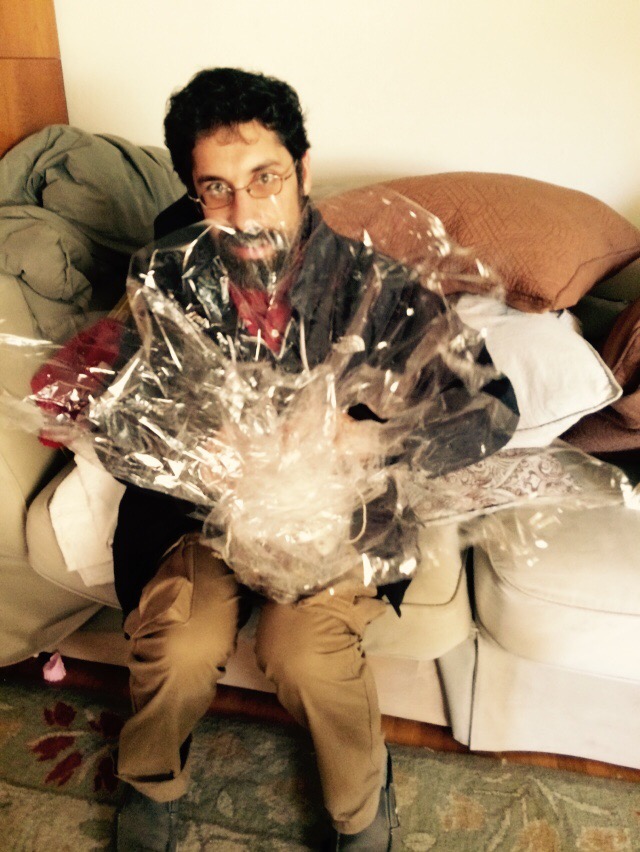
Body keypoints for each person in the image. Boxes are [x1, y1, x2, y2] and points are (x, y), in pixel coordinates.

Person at [113, 67, 518, 851]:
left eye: (264, 178)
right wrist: (191, 447)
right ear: (195, 193)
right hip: (197, 517)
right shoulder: (167, 280)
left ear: (302, 169)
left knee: (303, 654)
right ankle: (150, 778)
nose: (245, 212)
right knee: (180, 643)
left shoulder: (376, 287)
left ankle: (361, 810)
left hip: (340, 518)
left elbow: (493, 408)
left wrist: (374, 436)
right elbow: (119, 419)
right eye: (217, 189)